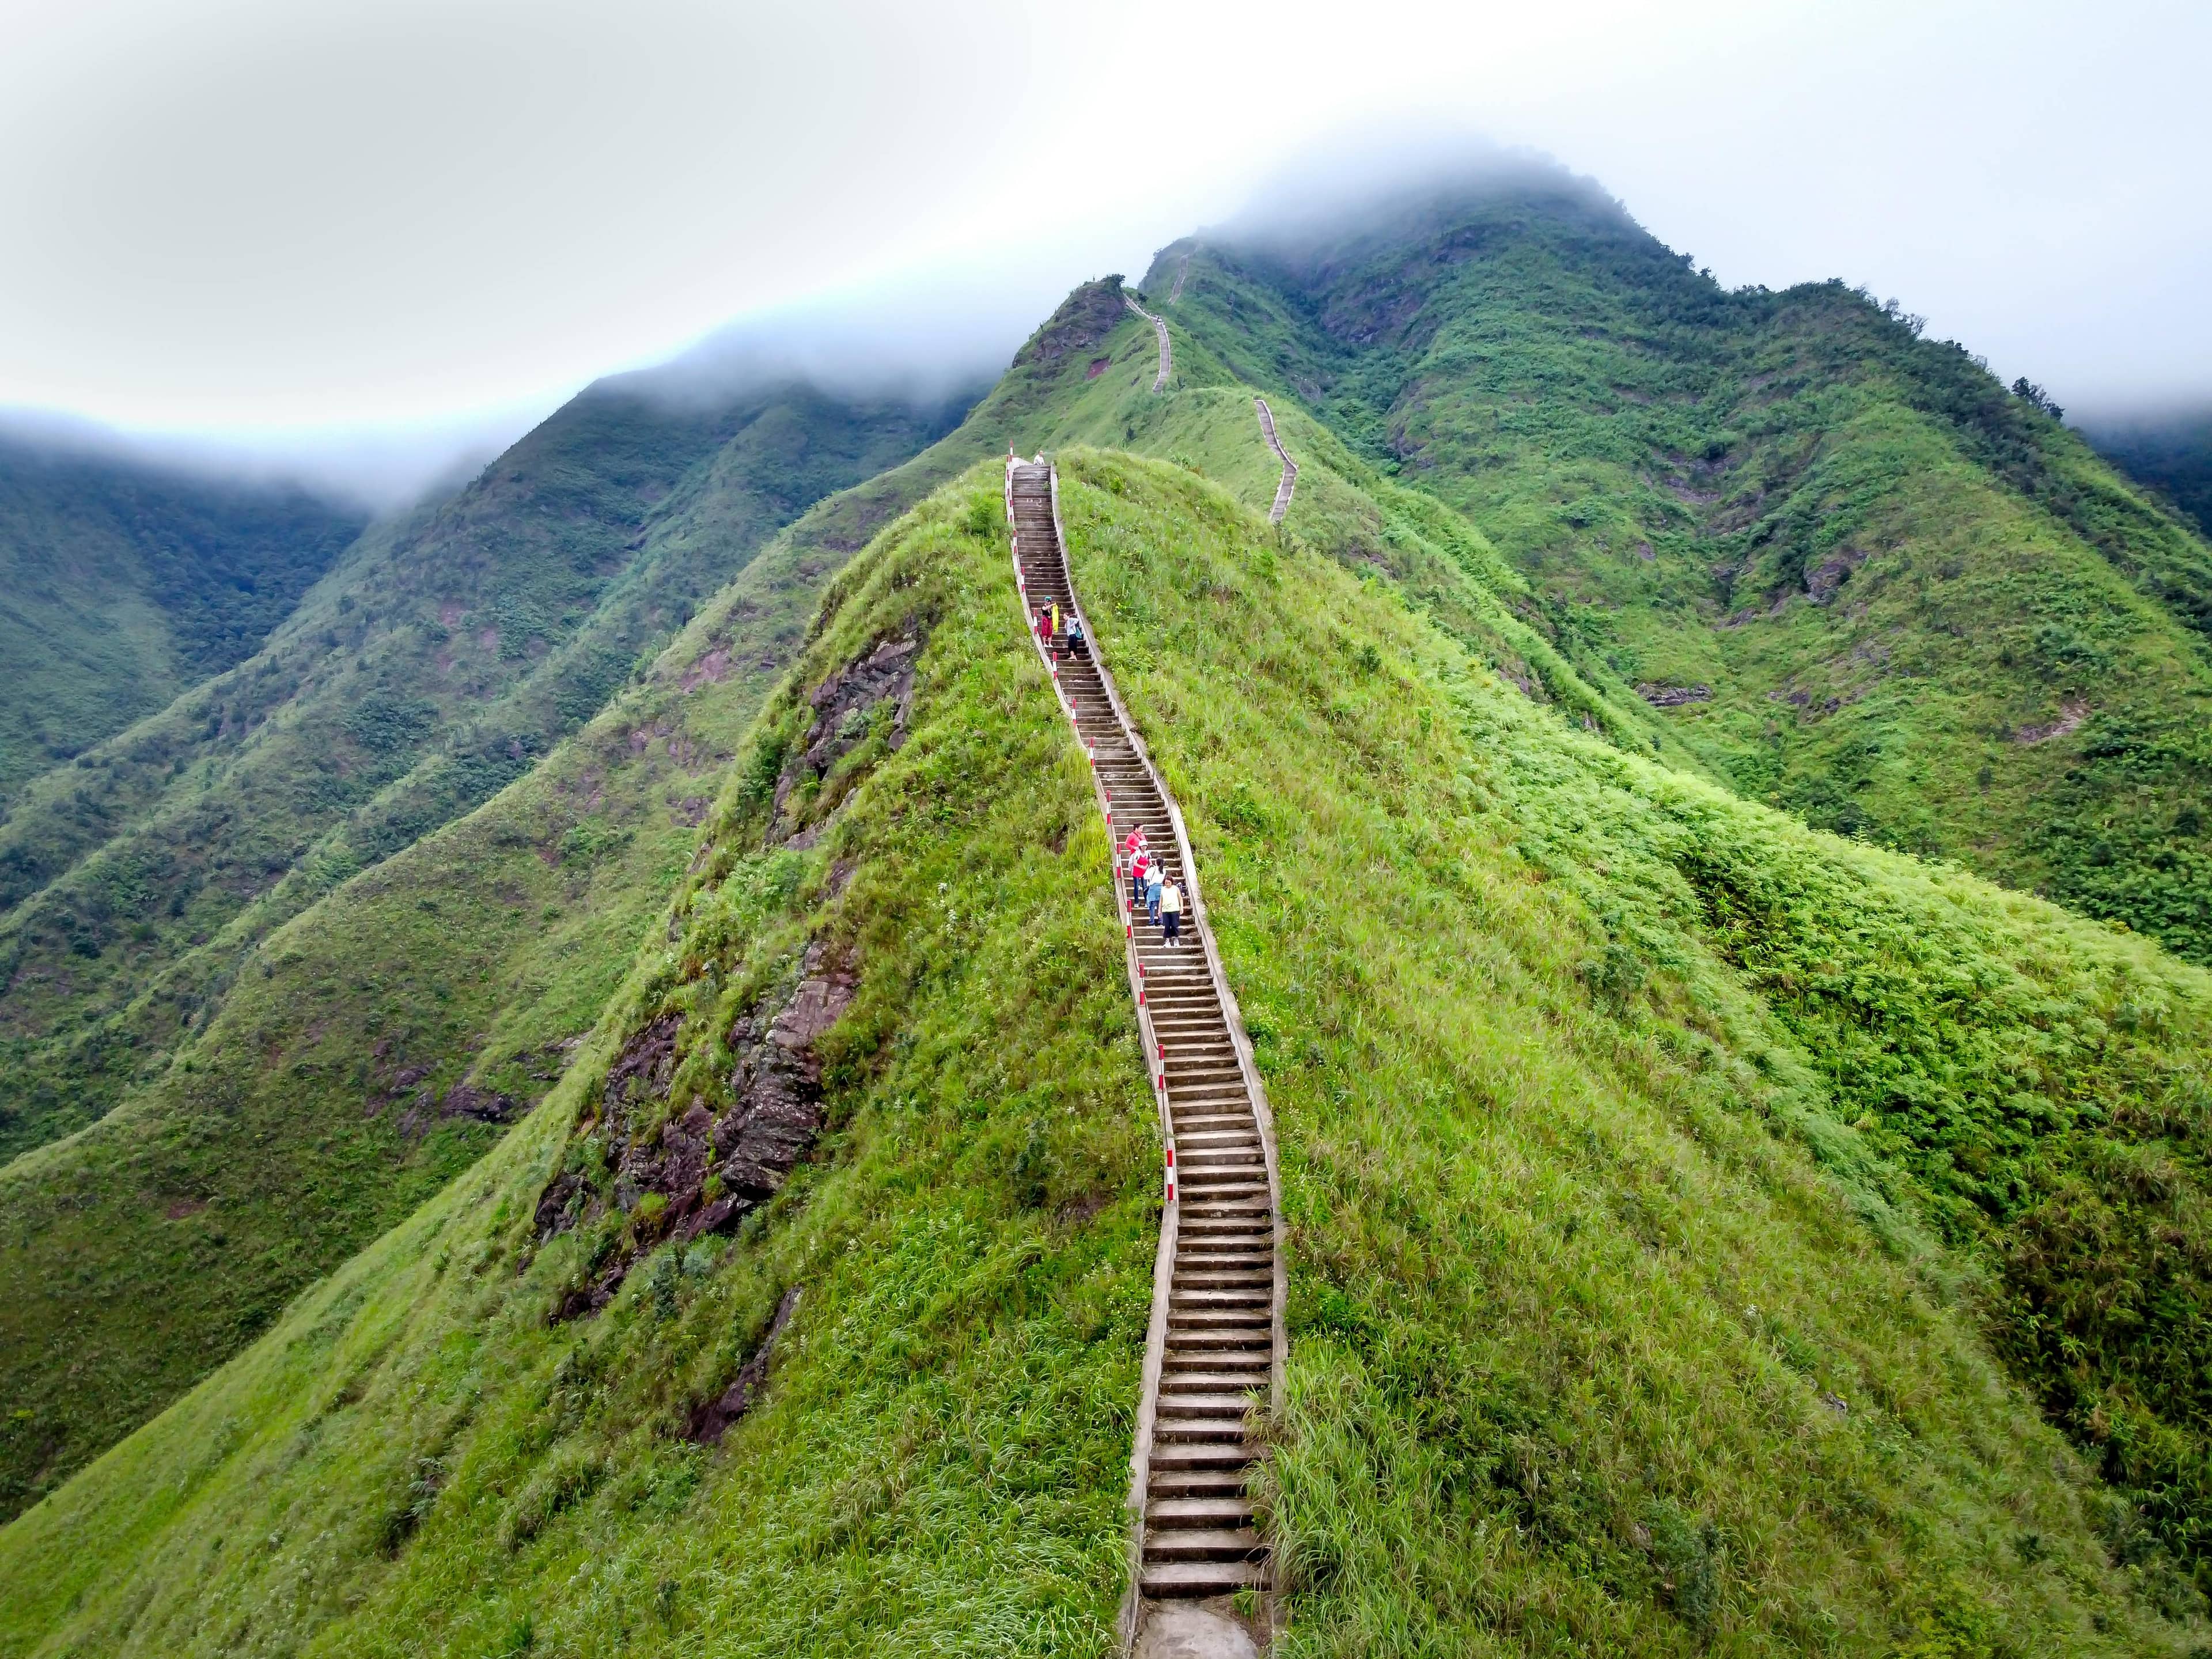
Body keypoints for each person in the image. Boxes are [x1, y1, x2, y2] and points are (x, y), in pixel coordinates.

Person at [1161, 878, 1184, 946]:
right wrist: (1160, 910)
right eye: (1166, 883)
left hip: (1175, 909)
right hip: (1165, 910)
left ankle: (1176, 939)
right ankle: (1167, 940)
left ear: (1172, 882)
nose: (1167, 884)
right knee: (1167, 926)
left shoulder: (1176, 888)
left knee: (1174, 925)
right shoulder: (1163, 889)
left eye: (1169, 883)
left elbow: (1180, 898)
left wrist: (1181, 907)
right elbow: (1161, 900)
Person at [1146, 861, 1165, 926]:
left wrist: (1149, 867)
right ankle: (1161, 921)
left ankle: (1152, 922)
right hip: (1160, 888)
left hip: (1153, 888)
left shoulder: (1153, 869)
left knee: (1152, 906)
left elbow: (1146, 877)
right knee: (1160, 906)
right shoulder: (1164, 870)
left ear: (1156, 863)